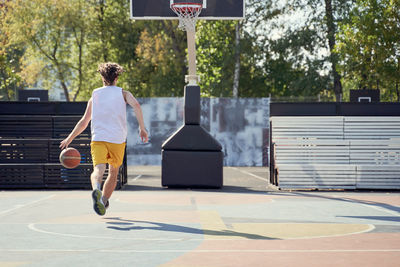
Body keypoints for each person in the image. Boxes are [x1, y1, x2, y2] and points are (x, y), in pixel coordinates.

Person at [60, 62, 148, 216]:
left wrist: (69, 138)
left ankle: (96, 190)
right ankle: (104, 200)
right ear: (117, 77)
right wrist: (142, 128)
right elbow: (137, 106)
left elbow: (84, 122)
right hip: (117, 139)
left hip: (99, 138)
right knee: (113, 172)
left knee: (98, 169)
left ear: (102, 78)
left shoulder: (95, 95)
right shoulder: (123, 93)